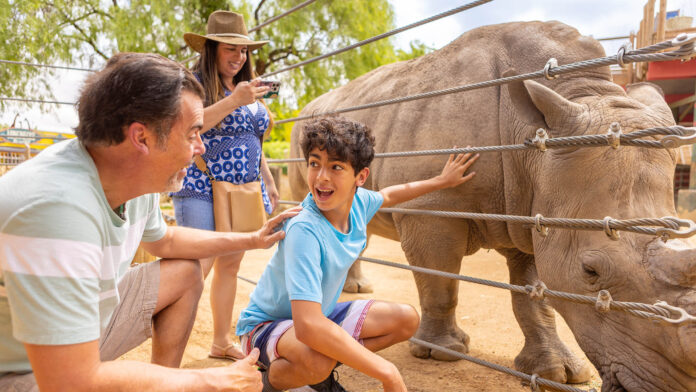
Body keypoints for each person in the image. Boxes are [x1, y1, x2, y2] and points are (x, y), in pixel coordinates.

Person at [0, 52, 300, 392]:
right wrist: (206, 381)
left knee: (186, 272)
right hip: (25, 373)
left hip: (84, 332)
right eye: (191, 134)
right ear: (141, 138)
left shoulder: (131, 177)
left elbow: (166, 242)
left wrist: (251, 239)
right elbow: (70, 381)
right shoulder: (57, 211)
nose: (200, 147)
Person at [236, 117, 480, 392]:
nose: (321, 177)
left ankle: (315, 371)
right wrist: (388, 372)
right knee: (316, 359)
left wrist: (441, 181)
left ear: (360, 178)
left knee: (406, 320)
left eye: (336, 167)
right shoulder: (304, 229)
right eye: (314, 163)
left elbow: (389, 195)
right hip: (265, 327)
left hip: (317, 317)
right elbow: (306, 326)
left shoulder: (359, 202)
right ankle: (270, 380)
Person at [171, 10, 277, 362]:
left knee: (230, 265)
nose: (239, 57)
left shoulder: (248, 86)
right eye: (231, 48)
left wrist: (269, 180)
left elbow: (253, 138)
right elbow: (190, 125)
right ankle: (170, 349)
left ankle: (220, 341)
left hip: (244, 187)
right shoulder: (194, 83)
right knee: (195, 269)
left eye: (244, 50)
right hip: (201, 182)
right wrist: (236, 100)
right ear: (213, 48)